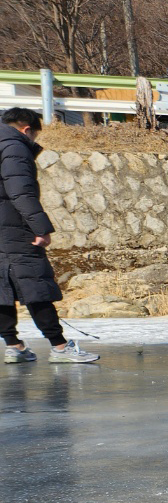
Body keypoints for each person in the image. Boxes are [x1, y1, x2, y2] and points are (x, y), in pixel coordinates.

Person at [0, 108, 98, 364]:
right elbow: (21, 192)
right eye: (34, 136)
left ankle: (14, 346)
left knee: (2, 289)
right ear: (26, 130)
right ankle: (60, 346)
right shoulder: (14, 147)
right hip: (14, 229)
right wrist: (40, 227)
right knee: (35, 285)